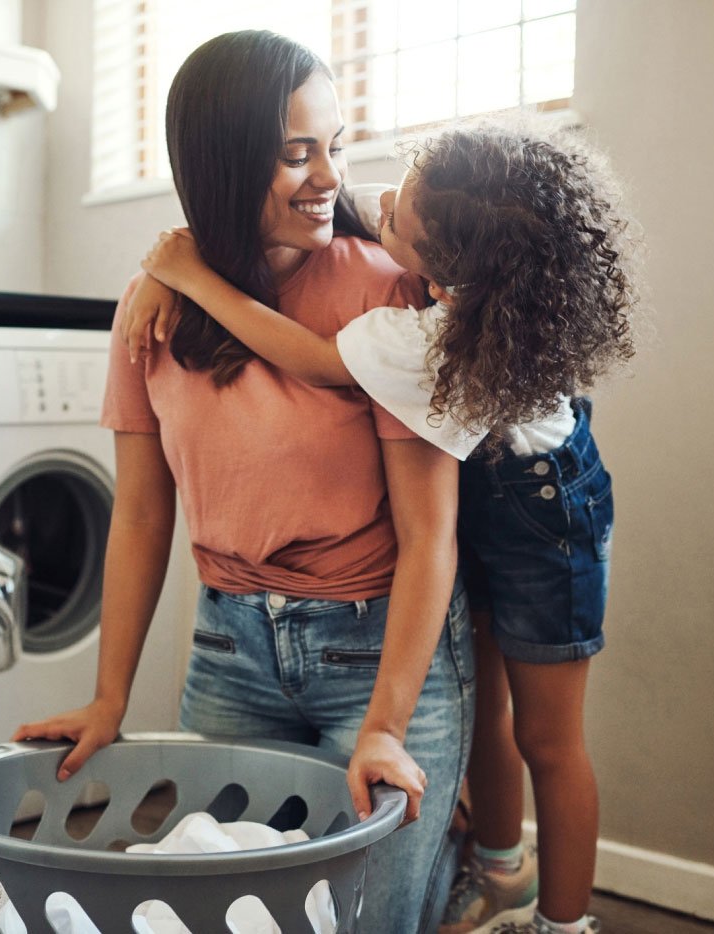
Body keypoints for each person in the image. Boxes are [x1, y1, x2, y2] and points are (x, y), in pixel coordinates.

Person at [13, 30, 474, 934]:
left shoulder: (384, 293)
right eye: (296, 152)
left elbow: (431, 535)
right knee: (230, 916)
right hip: (230, 650)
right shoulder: (152, 306)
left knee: (369, 920)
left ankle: (454, 872)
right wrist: (110, 698)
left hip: (375, 651)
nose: (328, 177)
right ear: (223, 162)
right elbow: (143, 514)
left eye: (335, 146)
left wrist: (385, 722)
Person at [128, 119, 638, 934]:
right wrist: (175, 257)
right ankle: (501, 869)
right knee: (487, 705)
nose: (379, 201)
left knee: (550, 736)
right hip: (474, 490)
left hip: (546, 513)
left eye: (398, 215)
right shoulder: (434, 220)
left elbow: (313, 359)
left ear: (436, 267)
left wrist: (189, 278)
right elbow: (248, 201)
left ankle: (564, 925)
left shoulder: (422, 335)